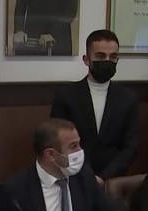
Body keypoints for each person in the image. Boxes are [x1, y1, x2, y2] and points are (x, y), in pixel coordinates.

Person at [0, 119, 128, 211]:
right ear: (51, 154)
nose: (80, 151)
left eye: (79, 144)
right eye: (73, 146)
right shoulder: (14, 189)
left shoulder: (83, 176)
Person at [50, 29, 138, 181]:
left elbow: (130, 147)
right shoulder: (66, 96)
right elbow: (58, 141)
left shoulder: (128, 99)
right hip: (74, 178)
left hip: (113, 181)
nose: (107, 61)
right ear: (86, 59)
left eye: (113, 57)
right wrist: (88, 177)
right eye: (100, 56)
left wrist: (105, 177)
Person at [12, 0, 79, 56]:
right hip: (31, 40)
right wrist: (19, 30)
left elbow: (70, 12)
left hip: (58, 39)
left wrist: (53, 33)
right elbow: (20, 5)